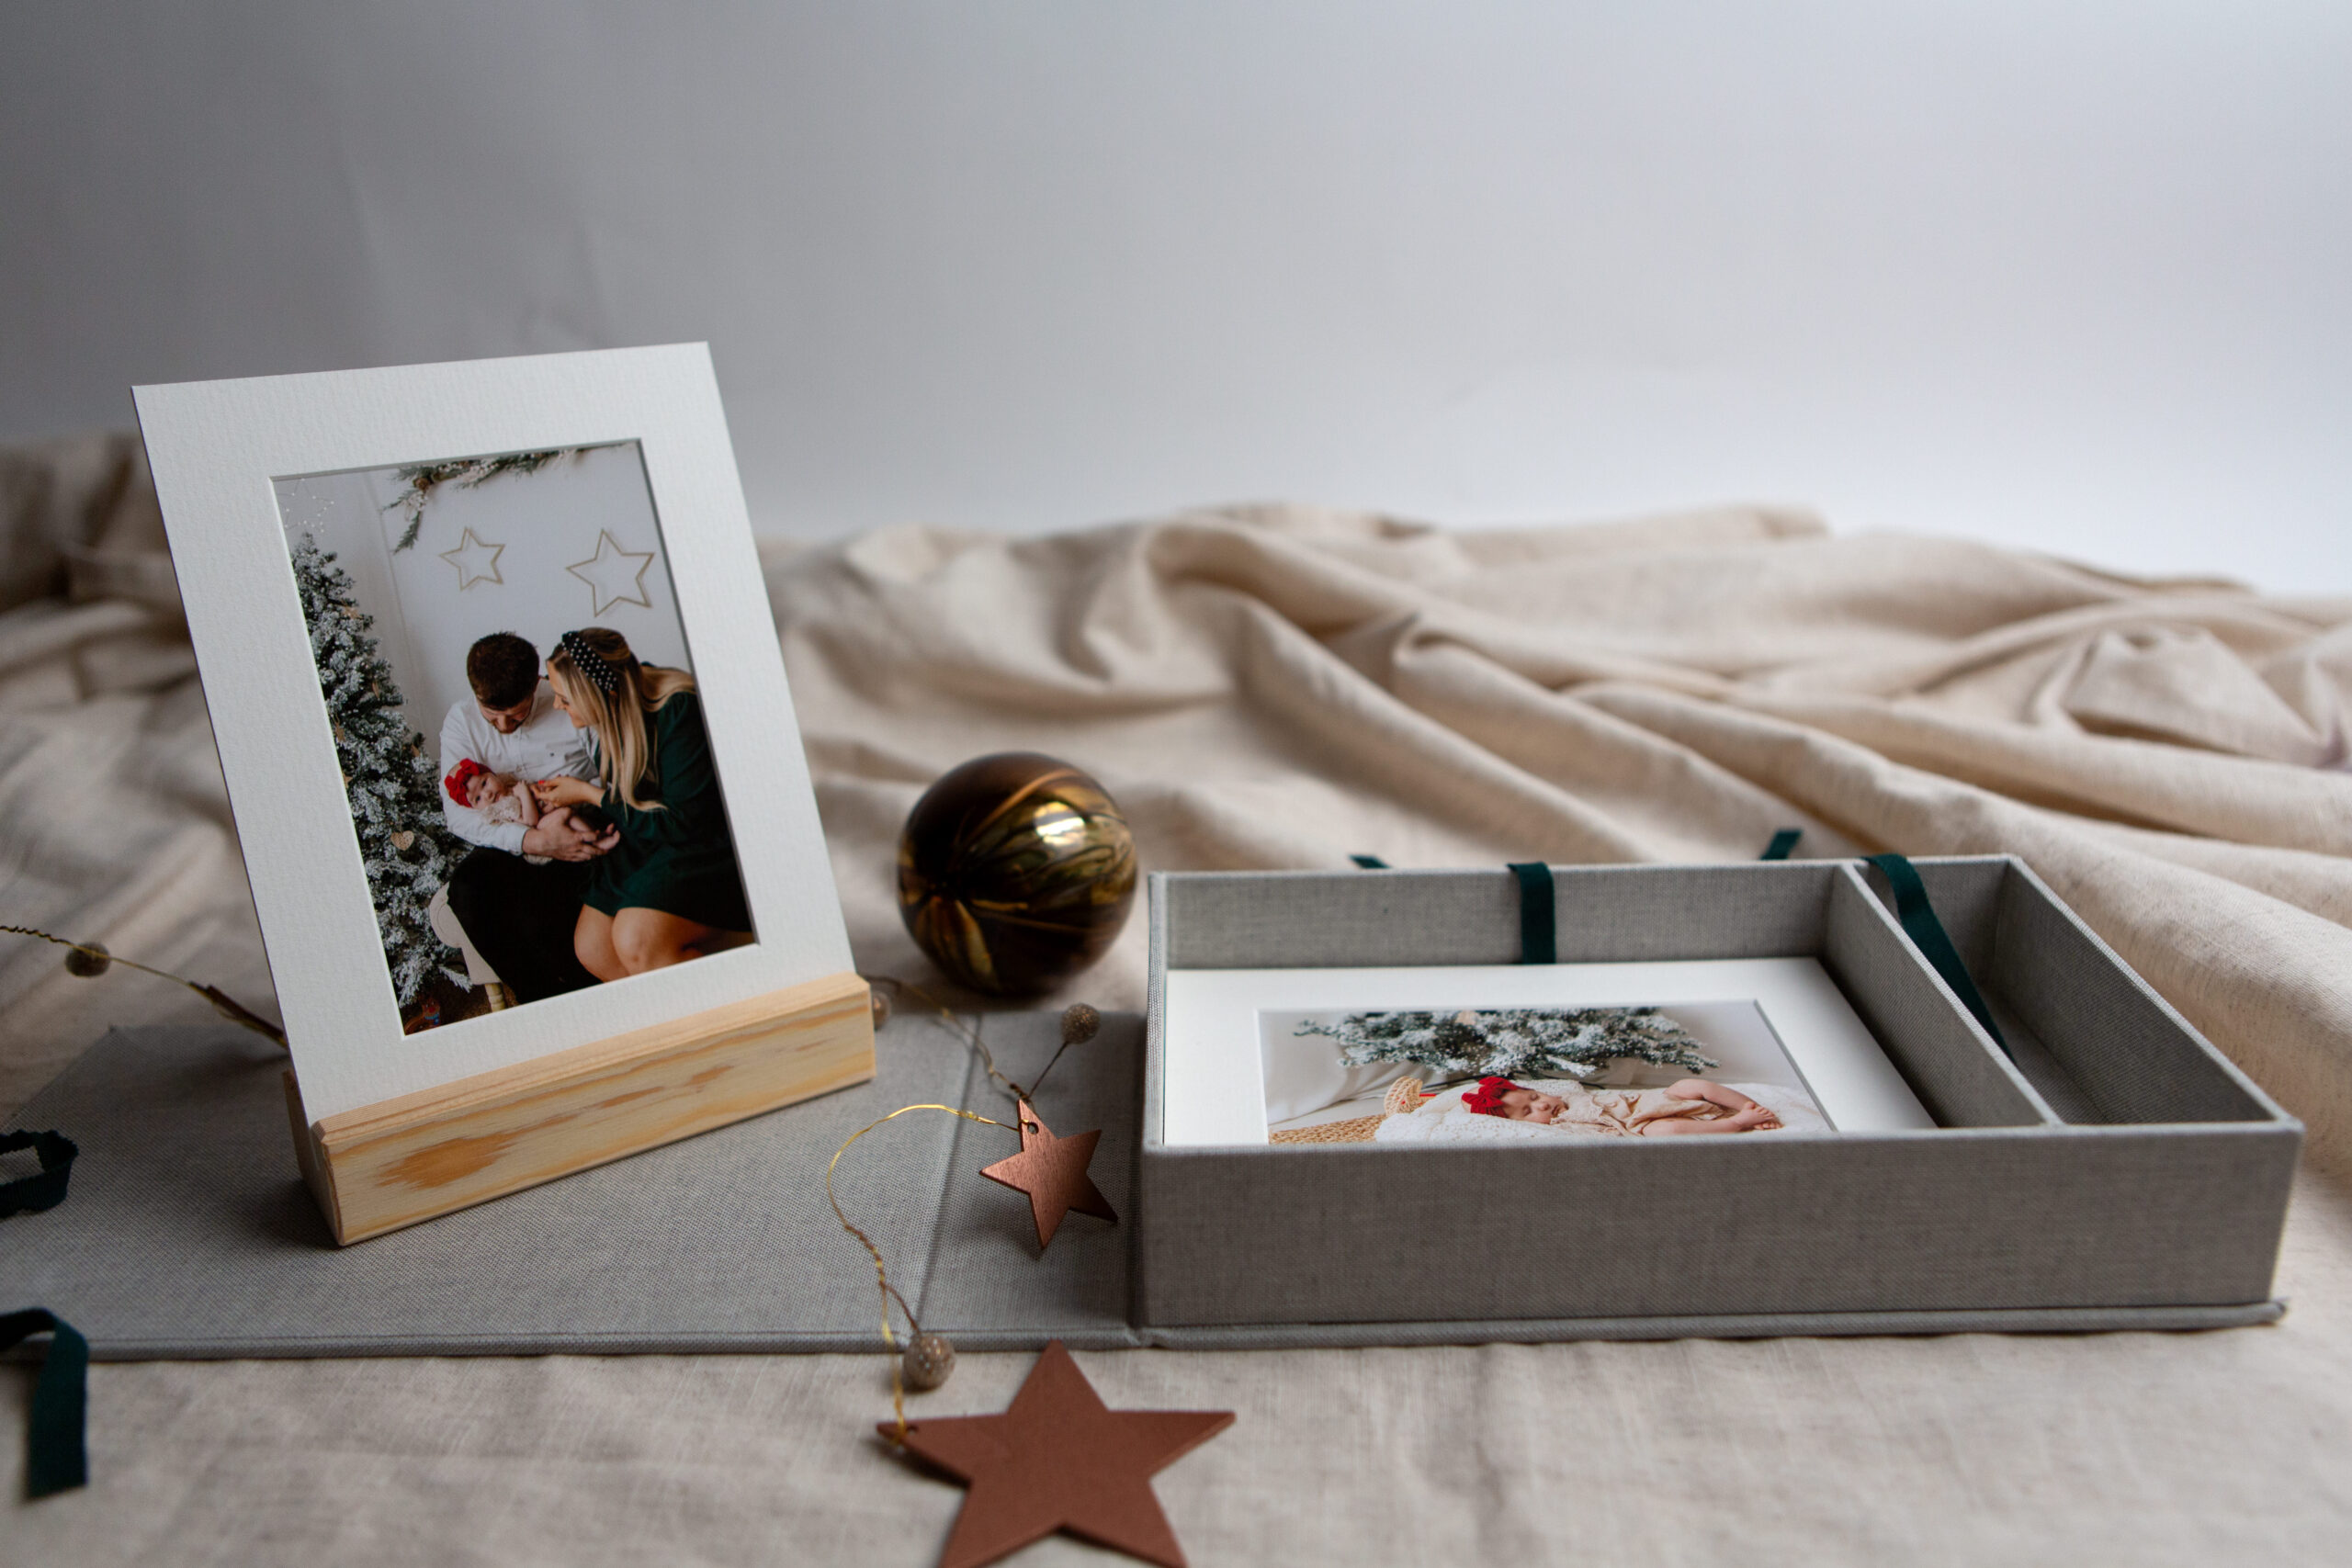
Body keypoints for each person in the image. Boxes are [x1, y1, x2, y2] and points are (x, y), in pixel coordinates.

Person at [532, 626, 751, 979]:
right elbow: (631, 798)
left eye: (565, 698)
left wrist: (589, 794)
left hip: (700, 845)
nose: (557, 704)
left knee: (636, 937)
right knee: (591, 948)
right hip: (648, 837)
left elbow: (682, 822)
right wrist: (579, 811)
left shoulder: (677, 710)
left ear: (600, 694)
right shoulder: (613, 713)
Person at [439, 632, 616, 1002]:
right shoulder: (461, 721)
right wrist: (529, 840)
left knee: (543, 909)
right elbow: (457, 816)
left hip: (577, 823)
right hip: (512, 835)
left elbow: (614, 774)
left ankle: (591, 997)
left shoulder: (567, 702)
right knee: (468, 888)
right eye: (493, 717)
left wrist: (568, 808)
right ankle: (538, 1001)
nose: (504, 726)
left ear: (535, 685)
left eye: (516, 714)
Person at [1462, 1076, 1784, 1136]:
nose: (1542, 1107)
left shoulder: (1571, 1094)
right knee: (1666, 1131)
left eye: (1534, 1098)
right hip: (1640, 1124)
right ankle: (1732, 1124)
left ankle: (1749, 1108)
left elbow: (1562, 1089)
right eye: (1529, 1113)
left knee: (1691, 1085)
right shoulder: (1561, 1128)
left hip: (1661, 1100)